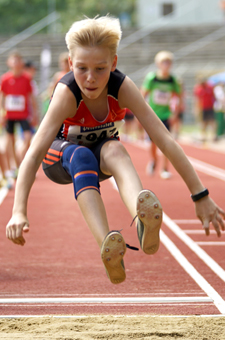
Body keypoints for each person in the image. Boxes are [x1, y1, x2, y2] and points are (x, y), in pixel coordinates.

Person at [6, 16, 225, 285]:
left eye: (100, 68)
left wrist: (200, 195)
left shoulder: (122, 87)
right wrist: (19, 210)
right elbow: (34, 152)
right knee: (82, 155)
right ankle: (107, 246)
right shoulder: (67, 93)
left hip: (101, 156)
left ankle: (142, 216)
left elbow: (165, 140)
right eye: (82, 68)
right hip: (59, 159)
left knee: (116, 149)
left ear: (114, 63)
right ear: (70, 64)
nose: (90, 78)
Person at [140, 50, 181, 179]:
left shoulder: (173, 80)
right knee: (152, 143)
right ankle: (153, 160)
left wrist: (175, 114)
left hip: (166, 115)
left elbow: (178, 97)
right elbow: (142, 95)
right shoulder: (152, 78)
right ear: (158, 64)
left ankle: (164, 168)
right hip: (152, 115)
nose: (166, 64)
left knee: (166, 143)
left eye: (168, 62)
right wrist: (142, 113)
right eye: (164, 62)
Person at [0, 51, 38, 174]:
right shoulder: (5, 79)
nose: (16, 63)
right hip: (9, 115)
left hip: (23, 114)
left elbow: (31, 97)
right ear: (9, 63)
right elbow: (2, 97)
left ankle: (22, 160)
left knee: (28, 137)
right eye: (13, 60)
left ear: (21, 63)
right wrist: (1, 113)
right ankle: (15, 167)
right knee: (10, 140)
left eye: (18, 60)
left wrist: (35, 114)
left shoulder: (27, 78)